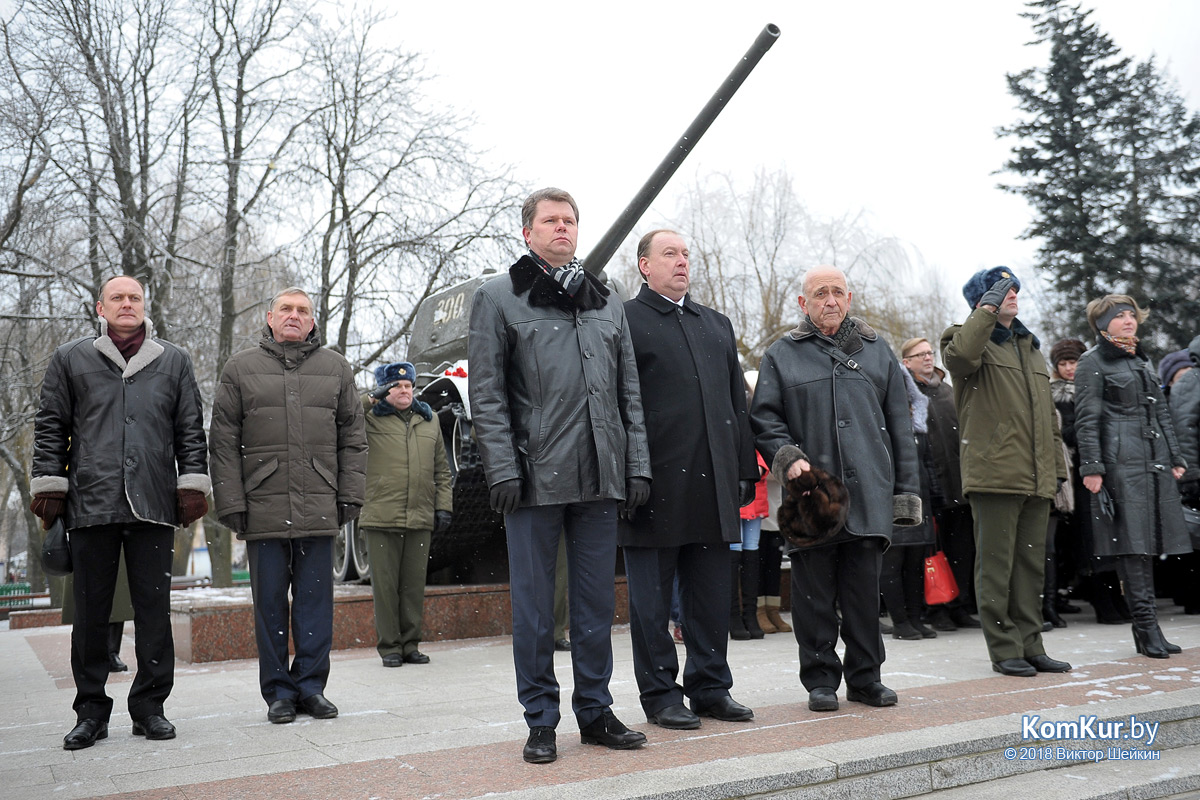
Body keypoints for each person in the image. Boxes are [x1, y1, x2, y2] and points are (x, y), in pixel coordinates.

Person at [468, 187, 651, 764]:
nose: (563, 228)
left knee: (595, 605)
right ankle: (540, 720)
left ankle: (595, 712)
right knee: (535, 608)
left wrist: (636, 465)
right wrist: (501, 467)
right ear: (528, 233)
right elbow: (487, 393)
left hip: (600, 474)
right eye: (550, 221)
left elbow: (628, 390)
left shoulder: (605, 298)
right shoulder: (498, 296)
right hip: (533, 478)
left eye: (570, 220)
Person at [30, 275, 210, 750]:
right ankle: (90, 712)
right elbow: (50, 425)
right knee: (91, 614)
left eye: (134, 297)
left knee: (154, 612)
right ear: (100, 307)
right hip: (91, 500)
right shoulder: (71, 358)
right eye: (117, 297)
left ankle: (150, 708)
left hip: (154, 501)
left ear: (144, 305)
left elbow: (191, 428)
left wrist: (192, 483)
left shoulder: (173, 360)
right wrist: (50, 486)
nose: (127, 303)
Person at [750, 265, 921, 713]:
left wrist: (905, 492)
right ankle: (821, 680)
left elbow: (900, 429)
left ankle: (867, 679)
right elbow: (764, 419)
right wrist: (787, 456)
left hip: (869, 493)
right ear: (803, 303)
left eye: (838, 292)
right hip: (812, 497)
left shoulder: (878, 352)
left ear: (850, 298)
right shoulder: (782, 354)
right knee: (813, 599)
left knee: (863, 597)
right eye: (820, 293)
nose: (830, 300)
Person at [620, 229, 758, 731]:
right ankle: (660, 695)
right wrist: (630, 471)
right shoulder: (624, 320)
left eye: (685, 255)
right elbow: (618, 405)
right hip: (652, 485)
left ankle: (710, 687)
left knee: (710, 595)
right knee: (652, 603)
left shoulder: (715, 324)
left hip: (713, 482)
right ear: (644, 265)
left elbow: (735, 404)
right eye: (669, 254)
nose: (681, 261)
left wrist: (744, 467)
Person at [209, 287, 367, 724]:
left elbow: (354, 438)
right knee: (270, 606)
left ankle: (312, 688)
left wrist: (350, 494)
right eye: (286, 309)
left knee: (316, 604)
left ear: (313, 321)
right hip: (262, 505)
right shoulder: (240, 368)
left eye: (302, 310)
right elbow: (222, 442)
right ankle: (279, 692)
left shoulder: (336, 367)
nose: (294, 316)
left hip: (319, 502)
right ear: (270, 317)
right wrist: (231, 501)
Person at [941, 267, 1071, 678]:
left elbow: (1048, 419)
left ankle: (1032, 644)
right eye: (1000, 290)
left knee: (1031, 567)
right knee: (996, 567)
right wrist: (986, 310)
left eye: (1013, 288)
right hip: (994, 471)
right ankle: (1004, 649)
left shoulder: (1029, 347)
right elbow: (961, 357)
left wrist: (1056, 469)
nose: (1011, 294)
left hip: (1036, 475)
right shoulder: (963, 338)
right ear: (981, 300)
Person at [1074, 295, 1190, 658]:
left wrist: (1175, 455)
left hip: (1152, 461)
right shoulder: (1092, 361)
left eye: (1131, 314)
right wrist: (1092, 467)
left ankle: (1149, 628)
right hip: (1120, 463)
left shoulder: (1140, 358)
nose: (1129, 320)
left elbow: (1161, 413)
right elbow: (1087, 418)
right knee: (1132, 545)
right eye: (1119, 316)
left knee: (1149, 544)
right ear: (1101, 323)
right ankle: (1145, 626)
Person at [360, 361, 453, 668]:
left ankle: (411, 644)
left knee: (413, 585)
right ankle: (389, 646)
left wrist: (443, 506)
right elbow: (343, 415)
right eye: (396, 386)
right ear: (383, 390)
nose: (404, 390)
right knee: (386, 587)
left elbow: (442, 470)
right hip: (381, 515)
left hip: (419, 514)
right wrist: (371, 398)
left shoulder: (429, 420)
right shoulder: (369, 418)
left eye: (408, 385)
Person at [899, 337, 980, 631]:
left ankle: (960, 605)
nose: (927, 357)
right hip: (927, 485)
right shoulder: (905, 394)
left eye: (929, 352)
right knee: (931, 551)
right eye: (919, 354)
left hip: (958, 483)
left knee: (962, 549)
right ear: (906, 362)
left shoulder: (948, 391)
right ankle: (935, 608)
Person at [879, 368, 939, 641]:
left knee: (916, 564)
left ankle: (915, 619)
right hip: (892, 501)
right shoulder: (881, 426)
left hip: (920, 501)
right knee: (892, 565)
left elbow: (928, 464)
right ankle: (900, 622)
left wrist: (936, 496)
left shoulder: (918, 426)